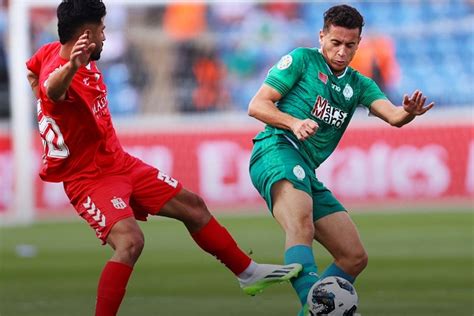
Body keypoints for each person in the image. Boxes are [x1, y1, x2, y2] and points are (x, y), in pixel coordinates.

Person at [25, 1, 302, 315]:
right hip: (89, 179)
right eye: (102, 29)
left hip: (118, 162)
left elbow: (34, 72)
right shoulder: (67, 73)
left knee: (193, 206)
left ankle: (247, 273)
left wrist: (49, 83)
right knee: (130, 243)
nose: (105, 35)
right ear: (86, 34)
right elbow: (51, 89)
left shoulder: (49, 51)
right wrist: (70, 70)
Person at [247, 4, 434, 316]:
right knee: (300, 223)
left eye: (350, 45)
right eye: (335, 43)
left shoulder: (359, 85)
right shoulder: (302, 60)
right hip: (276, 148)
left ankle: (314, 311)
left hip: (305, 168)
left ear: (359, 43)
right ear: (322, 36)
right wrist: (293, 122)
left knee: (353, 256)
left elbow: (393, 116)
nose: (342, 52)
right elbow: (257, 105)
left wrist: (408, 113)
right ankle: (315, 306)